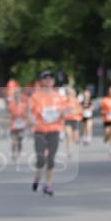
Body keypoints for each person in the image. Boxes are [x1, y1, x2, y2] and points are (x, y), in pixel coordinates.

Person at [29, 68, 67, 196]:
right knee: (40, 158)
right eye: (46, 78)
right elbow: (29, 112)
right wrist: (31, 120)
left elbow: (65, 111)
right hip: (40, 130)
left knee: (51, 159)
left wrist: (64, 114)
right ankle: (37, 177)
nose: (49, 80)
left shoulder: (59, 96)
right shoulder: (36, 96)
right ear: (41, 81)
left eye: (51, 77)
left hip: (54, 130)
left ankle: (48, 186)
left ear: (54, 81)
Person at [7, 88, 29, 163]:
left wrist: (24, 118)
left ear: (20, 96)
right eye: (16, 96)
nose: (17, 97)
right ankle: (13, 153)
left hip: (21, 125)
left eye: (18, 96)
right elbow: (9, 114)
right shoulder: (11, 105)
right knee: (14, 140)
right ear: (14, 96)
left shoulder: (23, 105)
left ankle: (19, 152)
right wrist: (10, 120)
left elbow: (26, 115)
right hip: (13, 125)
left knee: (20, 140)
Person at [63, 87, 83, 158]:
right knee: (68, 136)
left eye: (70, 94)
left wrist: (75, 111)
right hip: (67, 120)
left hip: (75, 120)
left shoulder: (76, 101)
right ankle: (68, 152)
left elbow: (81, 110)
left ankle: (76, 139)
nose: (68, 95)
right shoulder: (63, 101)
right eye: (67, 93)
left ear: (73, 94)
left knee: (75, 137)